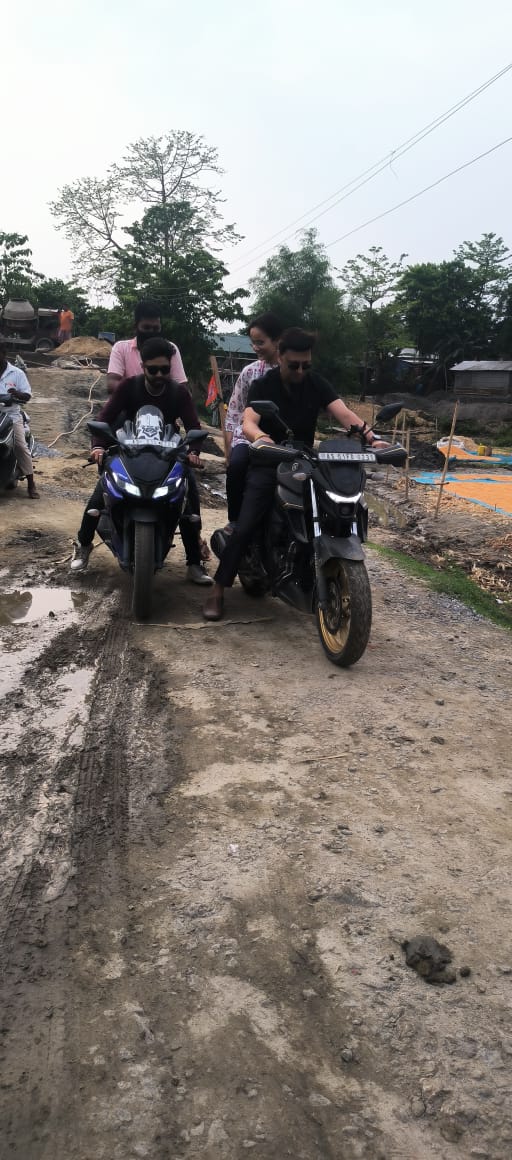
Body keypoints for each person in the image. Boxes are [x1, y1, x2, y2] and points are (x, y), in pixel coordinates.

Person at [203, 327, 381, 621]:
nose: (300, 370)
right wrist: (261, 438)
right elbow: (248, 421)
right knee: (245, 525)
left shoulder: (316, 383)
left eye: (306, 365)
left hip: (304, 460)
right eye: (294, 364)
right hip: (269, 460)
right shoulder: (264, 385)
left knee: (329, 507)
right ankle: (218, 589)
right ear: (280, 358)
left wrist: (372, 437)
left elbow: (345, 414)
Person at [70, 337, 212, 585]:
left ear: (170, 367)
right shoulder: (128, 387)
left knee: (190, 505)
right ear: (143, 365)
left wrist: (194, 453)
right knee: (98, 497)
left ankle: (194, 562)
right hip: (128, 451)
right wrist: (99, 447)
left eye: (165, 369)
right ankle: (83, 545)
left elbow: (193, 427)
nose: (159, 374)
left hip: (168, 453)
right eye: (153, 369)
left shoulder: (179, 392)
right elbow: (104, 418)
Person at [224, 312, 282, 528]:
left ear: (277, 341)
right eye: (253, 343)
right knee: (236, 466)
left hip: (282, 440)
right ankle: (234, 520)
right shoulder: (250, 372)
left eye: (261, 342)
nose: (256, 347)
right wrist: (229, 447)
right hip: (249, 439)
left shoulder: (290, 372)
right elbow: (234, 410)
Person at [107, 299, 187, 396]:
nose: (151, 332)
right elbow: (112, 384)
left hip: (162, 406)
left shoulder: (171, 348)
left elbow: (181, 386)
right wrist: (145, 397)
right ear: (135, 327)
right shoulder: (121, 348)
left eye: (156, 328)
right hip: (130, 406)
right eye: (146, 327)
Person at [0, 340, 39, 498]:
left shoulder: (16, 373)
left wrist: (16, 394)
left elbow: (27, 395)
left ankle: (31, 484)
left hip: (11, 415)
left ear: (3, 354)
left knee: (20, 446)